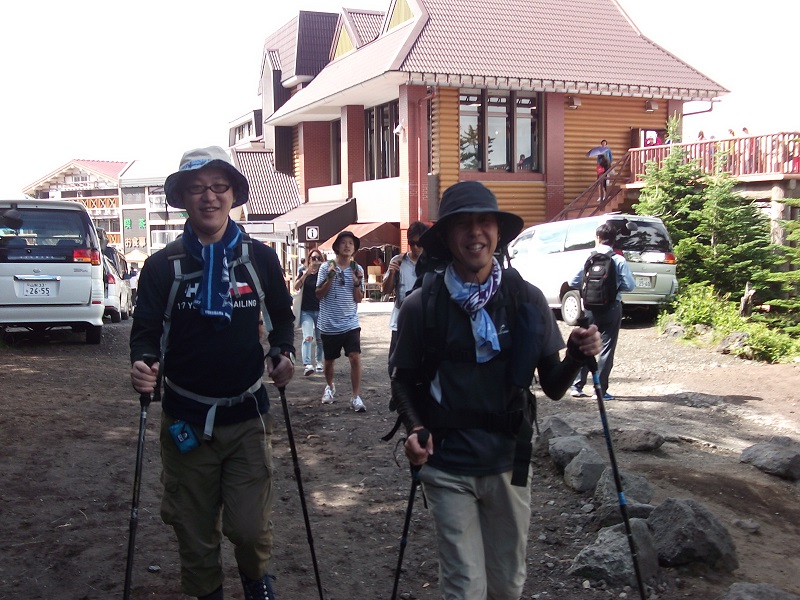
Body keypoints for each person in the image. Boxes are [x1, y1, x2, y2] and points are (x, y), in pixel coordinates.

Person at [388, 181, 601, 599]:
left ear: (498, 232)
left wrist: (576, 354)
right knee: (464, 586)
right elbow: (401, 378)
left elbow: (554, 388)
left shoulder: (526, 299)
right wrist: (414, 430)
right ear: (447, 238)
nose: (475, 233)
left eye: (484, 222)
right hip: (447, 464)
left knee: (507, 585)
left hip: (509, 462)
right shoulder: (421, 306)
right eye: (462, 225)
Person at [129, 146, 295, 600]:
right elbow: (144, 332)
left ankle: (255, 578)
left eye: (219, 187)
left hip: (246, 416)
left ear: (233, 194)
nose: (209, 197)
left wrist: (283, 351)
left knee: (247, 526)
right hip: (185, 418)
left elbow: (282, 316)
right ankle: (207, 593)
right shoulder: (163, 266)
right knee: (194, 527)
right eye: (197, 188)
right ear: (183, 197)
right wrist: (143, 365)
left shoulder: (258, 258)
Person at [570, 222, 635, 400]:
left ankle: (577, 386)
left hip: (589, 308)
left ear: (597, 238)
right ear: (613, 241)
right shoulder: (618, 259)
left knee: (585, 345)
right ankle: (600, 391)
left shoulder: (588, 258)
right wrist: (614, 287)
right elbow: (630, 285)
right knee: (607, 348)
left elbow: (573, 281)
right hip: (612, 308)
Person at [315, 230, 366, 412]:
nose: (347, 246)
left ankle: (356, 396)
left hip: (350, 322)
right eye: (343, 242)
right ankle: (330, 386)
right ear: (337, 246)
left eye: (350, 243)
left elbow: (359, 298)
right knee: (329, 361)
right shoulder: (325, 267)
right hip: (329, 323)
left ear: (354, 249)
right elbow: (318, 294)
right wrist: (330, 277)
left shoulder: (357, 269)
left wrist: (356, 283)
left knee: (355, 357)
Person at [381, 221, 430, 374]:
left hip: (425, 319)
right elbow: (386, 291)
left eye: (419, 243)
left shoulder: (432, 263)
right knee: (395, 364)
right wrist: (392, 274)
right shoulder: (398, 261)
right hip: (400, 318)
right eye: (411, 243)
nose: (415, 247)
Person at [294, 249, 324, 376]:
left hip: (320, 310)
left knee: (320, 339)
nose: (315, 260)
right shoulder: (303, 272)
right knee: (307, 337)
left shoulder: (323, 273)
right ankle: (307, 364)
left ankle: (319, 363)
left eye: (318, 258)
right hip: (306, 310)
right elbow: (296, 287)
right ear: (309, 260)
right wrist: (306, 273)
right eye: (313, 258)